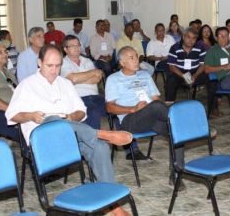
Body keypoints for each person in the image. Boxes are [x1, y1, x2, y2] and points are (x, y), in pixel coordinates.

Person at [5, 44, 132, 216]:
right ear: (39, 63)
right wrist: (30, 115)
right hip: (43, 142)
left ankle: (111, 205)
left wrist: (72, 118)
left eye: (58, 66)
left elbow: (82, 112)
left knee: (100, 147)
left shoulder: (65, 84)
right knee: (53, 120)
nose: (54, 70)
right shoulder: (26, 85)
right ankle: (100, 133)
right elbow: (11, 115)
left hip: (71, 137)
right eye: (50, 65)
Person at [105, 46, 184, 185]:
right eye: (132, 58)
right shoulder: (113, 79)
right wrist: (132, 109)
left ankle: (176, 175)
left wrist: (163, 106)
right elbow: (109, 107)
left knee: (177, 133)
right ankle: (188, 126)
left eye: (136, 56)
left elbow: (155, 100)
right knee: (165, 112)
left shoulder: (145, 75)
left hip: (151, 115)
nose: (137, 60)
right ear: (122, 62)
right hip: (130, 120)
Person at [165, 28, 218, 115]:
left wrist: (195, 75)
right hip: (180, 73)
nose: (191, 40)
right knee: (170, 80)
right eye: (188, 37)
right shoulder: (175, 47)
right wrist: (183, 75)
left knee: (212, 79)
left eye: (193, 38)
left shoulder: (200, 47)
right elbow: (171, 66)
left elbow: (202, 65)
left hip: (195, 72)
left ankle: (213, 107)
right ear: (183, 37)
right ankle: (169, 109)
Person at [61, 35, 106, 129]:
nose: (77, 48)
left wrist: (78, 78)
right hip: (78, 99)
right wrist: (92, 72)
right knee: (93, 113)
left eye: (78, 45)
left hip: (96, 97)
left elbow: (97, 79)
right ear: (65, 49)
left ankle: (128, 142)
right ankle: (93, 142)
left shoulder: (87, 61)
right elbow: (72, 78)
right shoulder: (63, 63)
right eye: (72, 46)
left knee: (117, 107)